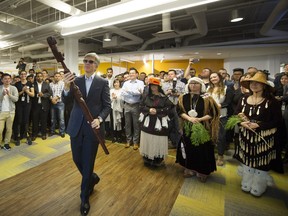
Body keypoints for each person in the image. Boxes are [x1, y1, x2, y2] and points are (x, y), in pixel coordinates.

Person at [63, 52, 111, 215]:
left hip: (93, 129)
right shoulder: (75, 80)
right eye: (85, 61)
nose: (87, 64)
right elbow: (67, 101)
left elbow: (107, 106)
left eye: (91, 62)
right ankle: (92, 178)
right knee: (76, 159)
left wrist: (100, 119)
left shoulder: (103, 82)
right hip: (76, 126)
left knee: (88, 162)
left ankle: (84, 198)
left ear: (96, 65)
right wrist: (66, 87)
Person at [234, 71, 282, 196]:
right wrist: (241, 123)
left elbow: (277, 121)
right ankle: (246, 182)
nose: (254, 85)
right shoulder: (243, 98)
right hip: (246, 136)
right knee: (247, 159)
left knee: (261, 161)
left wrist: (259, 125)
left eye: (258, 83)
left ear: (264, 85)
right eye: (252, 83)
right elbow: (236, 114)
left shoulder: (272, 101)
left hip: (264, 137)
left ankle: (259, 185)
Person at [176, 77, 220, 182]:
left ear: (201, 85)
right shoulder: (183, 97)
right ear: (188, 85)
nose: (193, 85)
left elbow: (214, 113)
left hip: (203, 127)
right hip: (187, 126)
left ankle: (202, 171)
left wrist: (199, 119)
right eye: (191, 83)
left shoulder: (207, 98)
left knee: (203, 149)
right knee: (188, 147)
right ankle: (189, 168)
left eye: (196, 83)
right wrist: (189, 118)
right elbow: (179, 111)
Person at [139, 77, 174, 166]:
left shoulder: (164, 97)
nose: (153, 87)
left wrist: (158, 111)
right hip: (147, 121)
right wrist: (149, 109)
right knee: (147, 139)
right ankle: (147, 158)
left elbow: (170, 107)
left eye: (155, 86)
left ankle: (157, 159)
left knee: (158, 139)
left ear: (159, 86)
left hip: (159, 122)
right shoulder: (146, 96)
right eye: (152, 86)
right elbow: (141, 106)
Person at [207, 72, 234, 166]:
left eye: (215, 77)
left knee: (221, 137)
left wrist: (220, 105)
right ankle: (210, 154)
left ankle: (220, 156)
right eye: (211, 77)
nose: (213, 79)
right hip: (209, 116)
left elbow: (228, 102)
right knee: (210, 136)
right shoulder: (208, 88)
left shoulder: (227, 88)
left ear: (219, 77)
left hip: (221, 115)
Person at [121, 67, 144, 150]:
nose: (131, 74)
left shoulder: (140, 82)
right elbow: (122, 93)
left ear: (137, 74)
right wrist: (133, 92)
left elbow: (140, 93)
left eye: (133, 73)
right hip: (127, 105)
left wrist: (129, 91)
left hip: (136, 105)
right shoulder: (126, 83)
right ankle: (128, 141)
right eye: (130, 73)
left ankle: (135, 142)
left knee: (136, 124)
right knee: (127, 124)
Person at [13, 70, 35, 146]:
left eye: (24, 74)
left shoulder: (30, 83)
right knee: (19, 120)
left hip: (27, 104)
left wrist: (27, 91)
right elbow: (16, 95)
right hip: (19, 104)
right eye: (21, 74)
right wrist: (22, 91)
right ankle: (18, 136)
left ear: (26, 75)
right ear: (20, 75)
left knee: (26, 120)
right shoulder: (17, 84)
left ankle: (27, 135)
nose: (23, 75)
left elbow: (32, 94)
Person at [31, 72, 52, 140]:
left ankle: (43, 134)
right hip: (35, 105)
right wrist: (37, 95)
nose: (39, 77)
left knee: (44, 121)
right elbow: (31, 95)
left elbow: (49, 93)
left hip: (44, 105)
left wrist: (43, 95)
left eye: (40, 76)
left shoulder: (47, 84)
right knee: (35, 121)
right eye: (38, 76)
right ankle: (34, 134)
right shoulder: (33, 84)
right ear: (36, 77)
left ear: (43, 77)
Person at [0, 74, 19, 150]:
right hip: (1, 112)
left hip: (11, 112)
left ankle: (6, 143)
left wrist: (9, 94)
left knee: (9, 129)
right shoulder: (0, 88)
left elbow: (16, 99)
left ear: (11, 80)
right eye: (5, 79)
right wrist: (2, 94)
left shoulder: (13, 88)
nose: (7, 80)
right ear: (2, 80)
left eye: (8, 78)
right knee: (0, 130)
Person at [49, 72, 65, 137]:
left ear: (60, 77)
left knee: (61, 119)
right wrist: (51, 99)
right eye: (56, 76)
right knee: (52, 119)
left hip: (60, 103)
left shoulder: (63, 83)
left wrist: (55, 98)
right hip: (52, 103)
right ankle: (52, 131)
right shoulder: (50, 84)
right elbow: (49, 92)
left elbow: (62, 92)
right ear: (53, 77)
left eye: (58, 76)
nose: (57, 77)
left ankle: (62, 132)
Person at [110, 79, 124, 143]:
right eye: (115, 82)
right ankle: (114, 136)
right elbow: (109, 99)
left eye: (117, 82)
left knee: (120, 123)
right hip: (113, 108)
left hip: (120, 109)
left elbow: (123, 99)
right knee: (113, 122)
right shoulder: (111, 90)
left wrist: (117, 98)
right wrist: (113, 98)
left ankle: (119, 136)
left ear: (119, 83)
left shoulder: (122, 90)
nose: (116, 84)